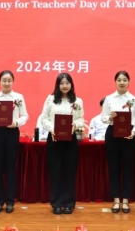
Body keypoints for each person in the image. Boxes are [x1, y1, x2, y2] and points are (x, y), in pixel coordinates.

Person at [40, 72, 85, 215]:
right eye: (62, 83)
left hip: (70, 140)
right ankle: (56, 203)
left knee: (69, 172)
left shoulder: (77, 101)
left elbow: (81, 119)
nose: (64, 86)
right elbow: (44, 118)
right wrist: (52, 128)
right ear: (57, 85)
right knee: (55, 171)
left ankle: (69, 203)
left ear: (71, 85)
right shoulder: (50, 99)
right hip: (54, 139)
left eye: (67, 83)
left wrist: (75, 125)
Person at [0, 70, 29, 213]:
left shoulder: (18, 97)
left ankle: (10, 201)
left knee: (11, 168)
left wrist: (17, 122)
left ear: (13, 82)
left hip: (12, 132)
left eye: (9, 80)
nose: (6, 83)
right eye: (4, 80)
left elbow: (25, 115)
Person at [102, 70, 135, 214]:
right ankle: (115, 200)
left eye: (124, 80)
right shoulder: (109, 99)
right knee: (113, 167)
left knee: (127, 167)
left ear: (129, 82)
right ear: (115, 82)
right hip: (112, 134)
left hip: (129, 136)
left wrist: (134, 132)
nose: (122, 82)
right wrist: (110, 118)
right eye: (119, 80)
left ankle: (125, 199)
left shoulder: (134, 100)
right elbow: (103, 118)